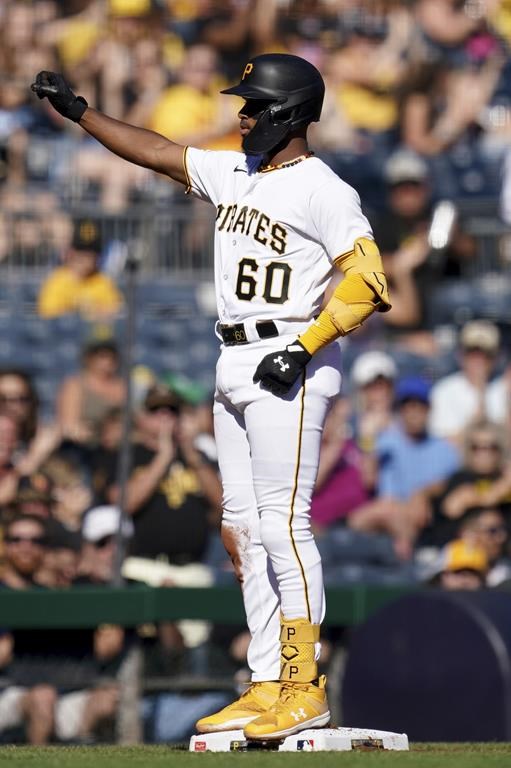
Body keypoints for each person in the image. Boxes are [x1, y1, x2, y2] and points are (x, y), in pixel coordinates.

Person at [31, 53, 390, 740]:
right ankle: (264, 683)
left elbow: (366, 282)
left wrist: (305, 346)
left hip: (289, 354)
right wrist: (79, 113)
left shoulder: (323, 188)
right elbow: (159, 153)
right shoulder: (238, 170)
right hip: (234, 356)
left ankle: (302, 683)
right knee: (242, 532)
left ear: (287, 113)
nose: (243, 114)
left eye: (253, 105)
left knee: (284, 526)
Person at [429, 319, 501, 443]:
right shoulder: (445, 391)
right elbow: (443, 445)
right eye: (472, 353)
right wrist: (477, 418)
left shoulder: (503, 389)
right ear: (460, 355)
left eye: (486, 354)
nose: (479, 360)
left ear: (495, 358)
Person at [37, 217, 123, 319]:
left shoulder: (102, 281)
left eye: (91, 253)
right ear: (71, 253)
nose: (85, 258)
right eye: (81, 252)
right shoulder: (57, 280)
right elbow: (48, 313)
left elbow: (116, 311)